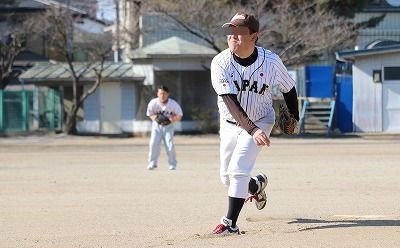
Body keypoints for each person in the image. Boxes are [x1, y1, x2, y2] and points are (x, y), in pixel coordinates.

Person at [210, 12, 299, 234]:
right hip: (231, 122)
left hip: (262, 119)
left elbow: (289, 88)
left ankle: (230, 223)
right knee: (226, 177)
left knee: (238, 170)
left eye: (240, 33)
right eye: (231, 32)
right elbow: (229, 100)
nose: (233, 37)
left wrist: (294, 117)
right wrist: (251, 129)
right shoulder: (220, 62)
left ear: (253, 37)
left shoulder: (271, 61)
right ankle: (255, 185)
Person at [146, 85, 183, 170]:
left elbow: (179, 115)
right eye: (160, 93)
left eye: (164, 94)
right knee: (153, 144)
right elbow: (150, 114)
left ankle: (172, 164)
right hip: (156, 126)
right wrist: (156, 119)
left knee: (169, 144)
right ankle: (152, 163)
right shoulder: (153, 103)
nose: (162, 95)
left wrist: (170, 120)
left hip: (168, 127)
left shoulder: (173, 104)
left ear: (168, 94)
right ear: (157, 94)